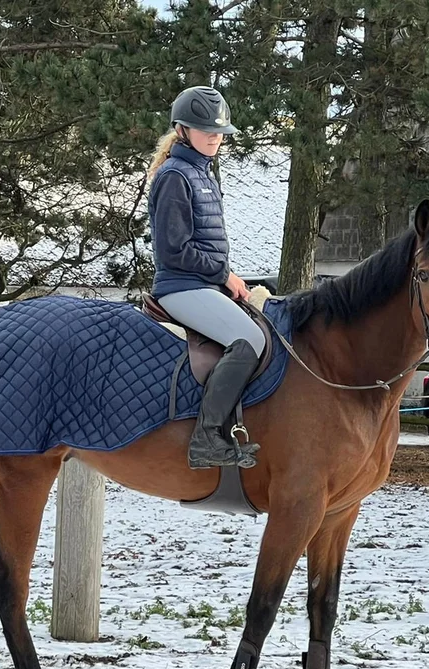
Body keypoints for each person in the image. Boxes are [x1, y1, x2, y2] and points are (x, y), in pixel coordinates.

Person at [147, 86, 266, 470]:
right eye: (206, 130)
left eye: (219, 132)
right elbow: (174, 250)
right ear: (182, 130)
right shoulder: (175, 177)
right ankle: (207, 439)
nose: (215, 137)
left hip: (202, 284)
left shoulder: (201, 173)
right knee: (248, 339)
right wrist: (223, 274)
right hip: (179, 288)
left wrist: (227, 277)